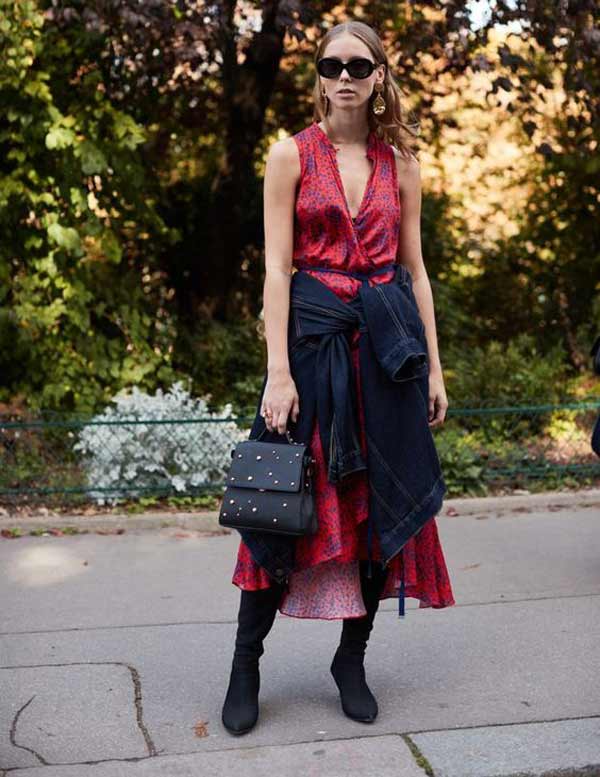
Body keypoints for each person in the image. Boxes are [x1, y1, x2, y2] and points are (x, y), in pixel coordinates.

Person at [222, 20, 455, 736]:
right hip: (313, 350)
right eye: (332, 63)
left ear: (379, 74)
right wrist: (277, 372)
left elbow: (414, 270)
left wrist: (435, 370)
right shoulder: (289, 154)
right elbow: (274, 271)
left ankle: (350, 658)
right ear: (319, 75)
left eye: (360, 63)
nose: (345, 74)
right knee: (276, 504)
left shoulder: (401, 162)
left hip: (386, 356)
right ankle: (245, 662)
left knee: (383, 512)